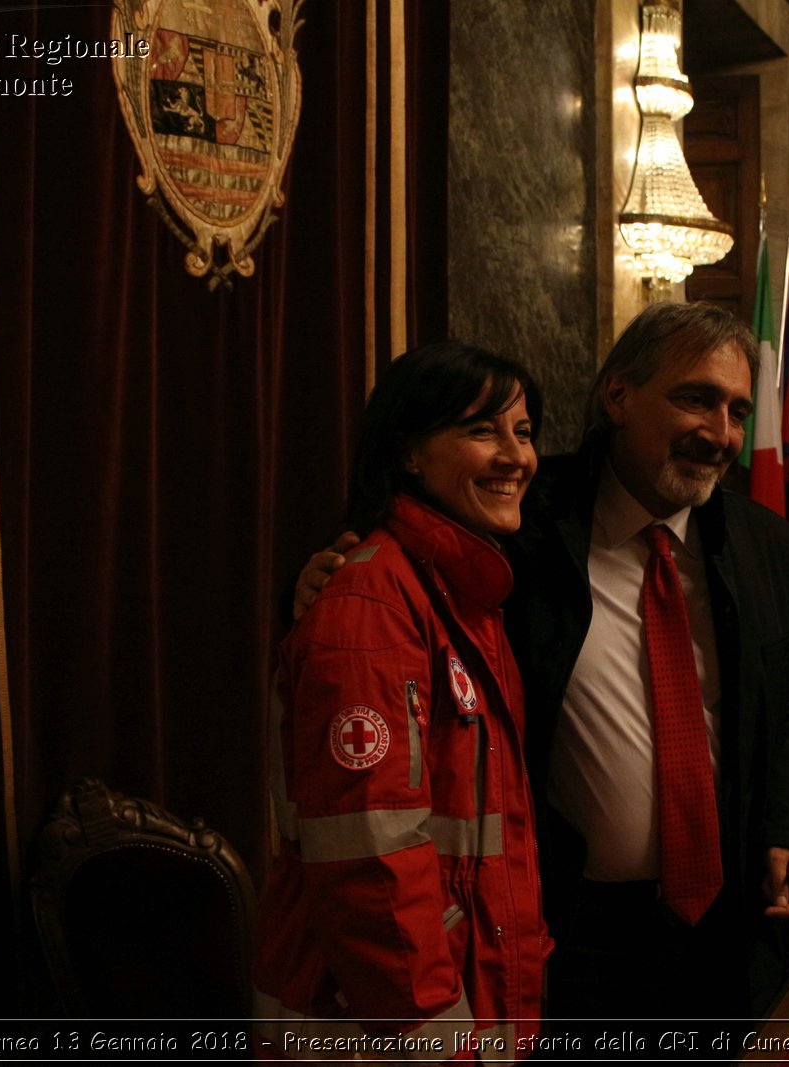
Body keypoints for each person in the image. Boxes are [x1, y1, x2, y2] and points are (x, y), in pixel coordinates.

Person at [297, 303, 789, 1024]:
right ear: (617, 395)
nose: (720, 433)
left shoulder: (767, 543)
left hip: (728, 923)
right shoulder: (517, 515)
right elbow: (405, 549)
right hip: (570, 932)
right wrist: (333, 569)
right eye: (695, 397)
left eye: (737, 409)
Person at [255, 342, 549, 1056]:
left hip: (463, 1000)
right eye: (483, 430)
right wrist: (435, 1038)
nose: (515, 455)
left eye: (524, 430)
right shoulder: (370, 606)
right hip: (378, 1026)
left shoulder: (462, 589)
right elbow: (370, 864)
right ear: (411, 453)